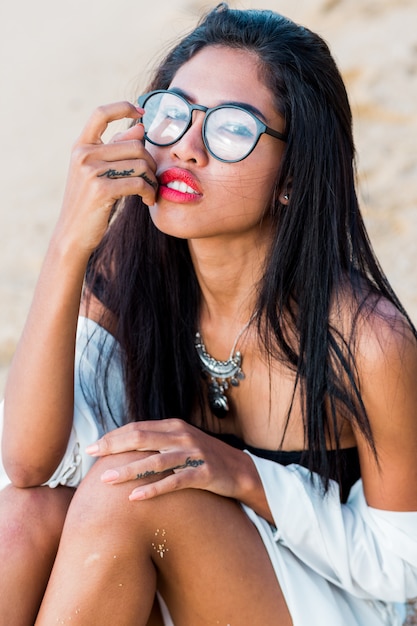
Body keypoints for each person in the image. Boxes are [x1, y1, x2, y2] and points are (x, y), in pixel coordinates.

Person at [1, 3, 417, 624]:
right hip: (166, 563)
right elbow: (31, 464)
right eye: (173, 114)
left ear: (293, 176)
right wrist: (69, 244)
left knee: (127, 491)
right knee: (24, 517)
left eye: (232, 130)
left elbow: (401, 564)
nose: (187, 149)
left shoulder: (368, 341)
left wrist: (245, 476)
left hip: (319, 601)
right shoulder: (131, 271)